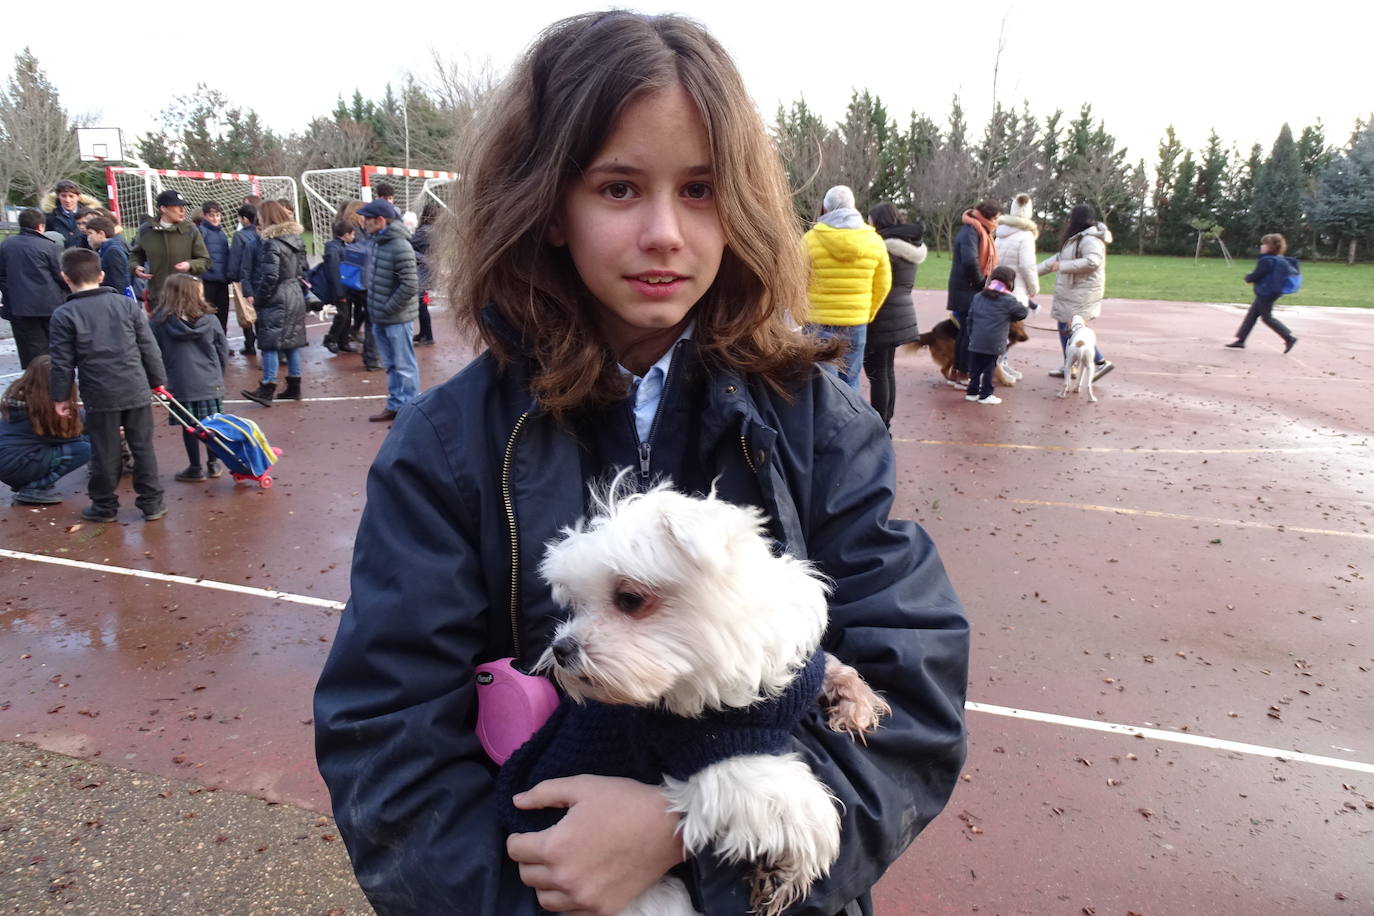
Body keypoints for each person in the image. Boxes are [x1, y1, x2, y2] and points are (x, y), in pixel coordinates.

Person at [313, 12, 969, 916]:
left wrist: (690, 841)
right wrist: (551, 890)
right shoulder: (448, 445)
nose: (664, 231)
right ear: (547, 205)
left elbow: (908, 699)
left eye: (700, 190)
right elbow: (387, 742)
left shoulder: (820, 425)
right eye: (619, 188)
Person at [48, 248, 167, 522]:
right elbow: (148, 346)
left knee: (104, 449)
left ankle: (104, 505)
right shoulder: (126, 305)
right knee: (142, 446)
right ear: (101, 275)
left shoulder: (64, 314)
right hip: (134, 386)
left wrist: (60, 396)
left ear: (65, 278)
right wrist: (157, 380)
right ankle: (152, 503)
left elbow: (62, 362)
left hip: (99, 391)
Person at [802, 185, 892, 392]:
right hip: (855, 321)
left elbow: (796, 279)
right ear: (854, 207)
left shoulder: (810, 240)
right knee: (850, 381)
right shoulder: (874, 241)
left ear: (825, 209)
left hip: (817, 322)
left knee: (820, 385)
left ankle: (821, 424)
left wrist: (803, 313)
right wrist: (867, 313)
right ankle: (849, 424)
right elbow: (883, 283)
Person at [150, 274, 230, 481]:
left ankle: (195, 467)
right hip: (209, 380)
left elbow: (152, 352)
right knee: (212, 425)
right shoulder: (210, 319)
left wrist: (158, 380)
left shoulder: (159, 322)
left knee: (189, 427)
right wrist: (218, 375)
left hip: (180, 382)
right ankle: (214, 463)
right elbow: (222, 349)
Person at [863, 203, 926, 430]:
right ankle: (885, 420)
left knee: (877, 373)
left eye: (870, 220)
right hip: (901, 311)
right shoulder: (909, 246)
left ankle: (881, 424)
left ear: (878, 222)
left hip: (882, 312)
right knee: (886, 370)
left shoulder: (884, 248)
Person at [357, 198, 420, 422]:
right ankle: (395, 406)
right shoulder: (377, 242)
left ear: (380, 220)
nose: (363, 223)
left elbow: (410, 284)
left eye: (367, 219)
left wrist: (387, 307)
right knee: (392, 365)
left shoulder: (400, 245)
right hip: (381, 317)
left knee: (404, 366)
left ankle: (410, 413)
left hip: (396, 318)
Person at [241, 200, 308, 406]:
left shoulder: (272, 243)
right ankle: (294, 385)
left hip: (278, 295)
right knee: (292, 341)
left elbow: (270, 276)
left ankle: (268, 386)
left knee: (269, 342)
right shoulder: (296, 240)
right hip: (294, 292)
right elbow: (302, 268)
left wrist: (260, 299)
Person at [0, 355, 91, 506]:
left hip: (9, 463)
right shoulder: (43, 412)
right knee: (83, 449)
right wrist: (108, 431)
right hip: (17, 464)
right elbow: (72, 437)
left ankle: (29, 480)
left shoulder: (22, 400)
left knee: (83, 442)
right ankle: (32, 488)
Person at [1038, 203, 1114, 379]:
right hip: (1074, 291)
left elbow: (1092, 261)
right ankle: (1074, 366)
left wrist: (1063, 266)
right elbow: (1058, 259)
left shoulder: (1090, 239)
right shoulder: (1077, 238)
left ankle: (1098, 362)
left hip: (1081, 291)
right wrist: (1032, 272)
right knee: (1071, 329)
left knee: (1069, 328)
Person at [0, 209, 68, 368]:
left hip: (19, 306)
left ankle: (33, 383)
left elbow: (2, 276)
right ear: (40, 226)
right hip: (49, 305)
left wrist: (11, 292)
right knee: (53, 348)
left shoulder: (7, 244)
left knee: (30, 350)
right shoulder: (50, 247)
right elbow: (60, 276)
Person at [947, 199, 1000, 385]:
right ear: (989, 216)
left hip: (966, 289)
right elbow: (970, 261)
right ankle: (962, 373)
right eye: (996, 217)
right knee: (968, 333)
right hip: (967, 290)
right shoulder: (971, 231)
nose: (997, 221)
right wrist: (981, 282)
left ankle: (957, 372)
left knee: (965, 332)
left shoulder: (977, 229)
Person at [130, 189, 210, 310]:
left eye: (183, 207)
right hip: (157, 297)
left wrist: (189, 264)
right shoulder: (146, 230)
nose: (183, 210)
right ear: (163, 209)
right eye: (178, 207)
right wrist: (136, 267)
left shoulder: (190, 230)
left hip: (186, 296)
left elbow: (205, 260)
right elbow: (136, 255)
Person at [964, 266, 1029, 406]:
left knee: (975, 368)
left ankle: (972, 392)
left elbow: (970, 318)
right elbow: (1022, 312)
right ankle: (986, 394)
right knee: (989, 368)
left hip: (975, 339)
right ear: (1010, 282)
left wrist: (971, 335)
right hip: (994, 342)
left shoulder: (978, 296)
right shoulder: (1008, 300)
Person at [993, 193, 1040, 382]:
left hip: (998, 287)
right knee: (1009, 333)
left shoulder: (1000, 233)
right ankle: (997, 365)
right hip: (1016, 289)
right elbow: (1027, 266)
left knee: (1001, 330)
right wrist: (1033, 287)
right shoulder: (1026, 236)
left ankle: (1000, 364)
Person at [1227, 233, 1299, 353]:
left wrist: (1248, 277)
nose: (1261, 246)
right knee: (1252, 316)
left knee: (1267, 318)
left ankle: (1288, 337)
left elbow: (1256, 275)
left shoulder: (1266, 261)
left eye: (1264, 244)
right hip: (1272, 291)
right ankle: (1241, 340)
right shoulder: (1279, 260)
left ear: (1270, 247)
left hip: (1266, 293)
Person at [227, 203, 261, 356]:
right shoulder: (261, 234)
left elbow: (235, 258)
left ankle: (249, 344)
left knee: (245, 313)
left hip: (244, 277)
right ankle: (262, 343)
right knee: (260, 313)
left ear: (244, 219)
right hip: (260, 278)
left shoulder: (239, 236)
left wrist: (232, 276)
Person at [321, 219, 359, 354]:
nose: (354, 237)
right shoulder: (333, 248)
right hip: (340, 289)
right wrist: (339, 293)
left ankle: (343, 341)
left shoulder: (342, 246)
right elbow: (334, 271)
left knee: (347, 315)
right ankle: (330, 338)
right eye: (352, 234)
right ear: (346, 234)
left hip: (346, 287)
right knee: (342, 315)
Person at [196, 201, 233, 335]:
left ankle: (222, 340)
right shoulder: (202, 231)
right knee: (208, 313)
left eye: (218, 215)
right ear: (205, 216)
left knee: (223, 313)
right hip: (208, 280)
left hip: (222, 279)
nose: (215, 218)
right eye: (212, 215)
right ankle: (210, 340)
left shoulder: (222, 233)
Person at [410, 201, 439, 346]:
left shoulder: (424, 231)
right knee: (423, 303)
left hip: (421, 270)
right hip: (428, 270)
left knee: (421, 303)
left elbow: (408, 245)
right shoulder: (435, 230)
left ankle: (428, 336)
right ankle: (425, 333)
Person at [42, 180, 100, 249]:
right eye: (63, 196)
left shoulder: (91, 215)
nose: (67, 200)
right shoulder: (49, 217)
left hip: (87, 256)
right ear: (58, 196)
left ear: (78, 197)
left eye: (71, 196)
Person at [83, 215, 131, 296]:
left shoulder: (113, 251)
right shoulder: (103, 250)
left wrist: (117, 300)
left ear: (101, 234)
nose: (88, 238)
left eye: (90, 233)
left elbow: (119, 281)